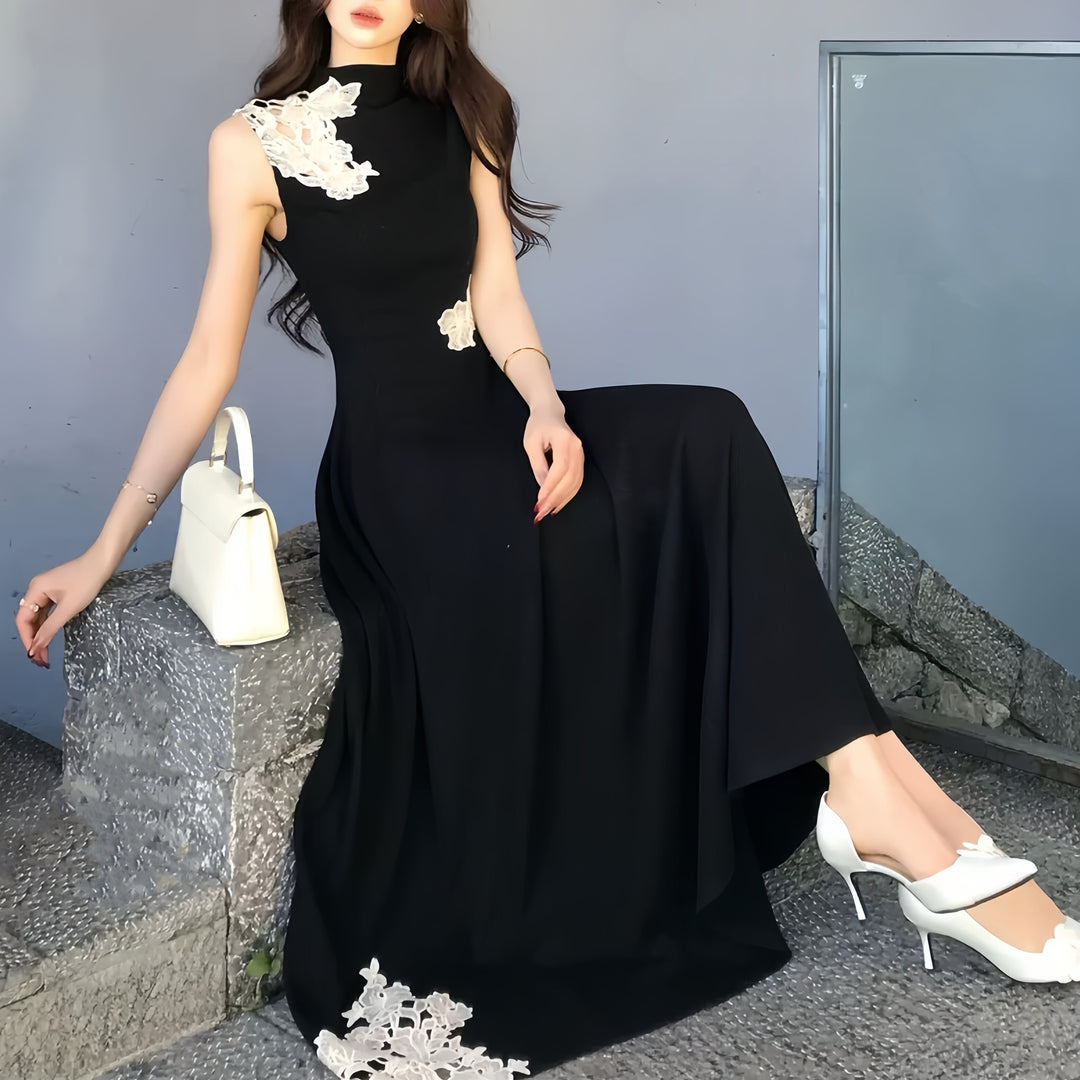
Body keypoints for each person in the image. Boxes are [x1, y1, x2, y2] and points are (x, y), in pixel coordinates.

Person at [15, 0, 1079, 1074]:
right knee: (629, 504)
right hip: (400, 480)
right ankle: (899, 813)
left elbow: (497, 298)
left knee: (709, 429)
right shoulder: (248, 143)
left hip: (499, 426)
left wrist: (544, 407)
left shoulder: (468, 111)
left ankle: (871, 789)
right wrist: (107, 549)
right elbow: (209, 360)